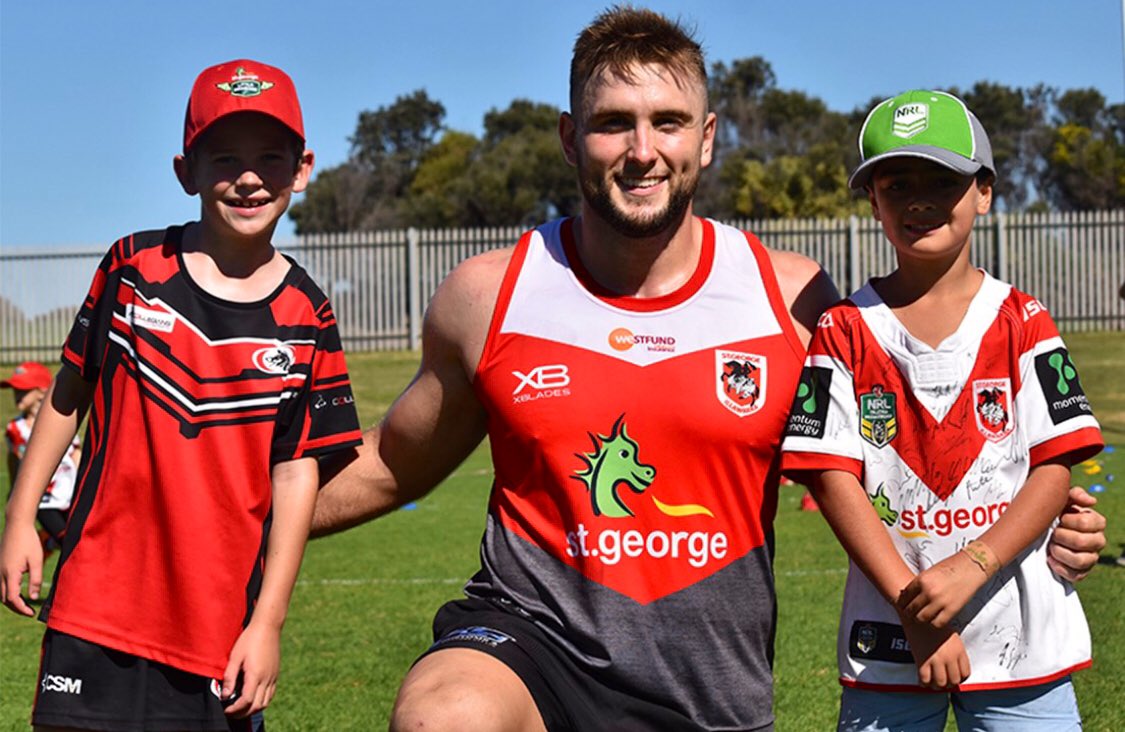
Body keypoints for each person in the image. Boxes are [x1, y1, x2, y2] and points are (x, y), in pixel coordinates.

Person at [310, 10, 1107, 731]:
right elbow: (388, 463)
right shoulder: (489, 296)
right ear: (566, 136)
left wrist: (1053, 522)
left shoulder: (792, 299)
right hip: (530, 648)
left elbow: (921, 448)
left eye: (667, 122)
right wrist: (229, 514)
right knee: (444, 718)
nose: (641, 149)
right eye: (612, 124)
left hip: (710, 692)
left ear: (708, 136)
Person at [0, 59, 362, 731]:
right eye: (224, 158)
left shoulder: (307, 313)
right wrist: (21, 516)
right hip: (94, 606)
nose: (249, 177)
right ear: (185, 172)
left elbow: (297, 470)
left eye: (270, 158)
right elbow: (68, 392)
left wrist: (268, 622)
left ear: (302, 168)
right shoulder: (132, 270)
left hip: (218, 632)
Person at [781, 90, 1104, 731]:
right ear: (872, 200)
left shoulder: (1024, 320)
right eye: (897, 183)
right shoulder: (843, 329)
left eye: (943, 179)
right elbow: (829, 473)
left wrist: (973, 566)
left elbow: (1055, 465)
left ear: (984, 191)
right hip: (891, 644)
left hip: (1022, 643)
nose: (919, 199)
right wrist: (915, 608)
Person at [2, 362, 81, 553]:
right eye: (15, 391)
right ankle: (50, 542)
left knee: (79, 541)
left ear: (40, 391)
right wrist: (16, 494)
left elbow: (76, 456)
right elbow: (15, 462)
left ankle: (47, 542)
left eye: (22, 391)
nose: (16, 396)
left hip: (70, 497)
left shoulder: (63, 423)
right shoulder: (16, 430)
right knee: (70, 547)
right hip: (44, 502)